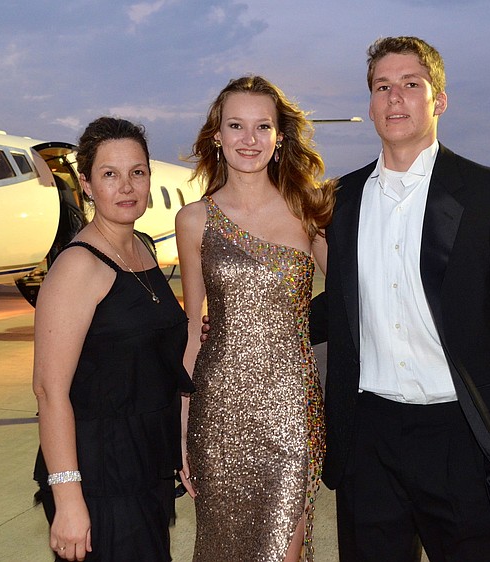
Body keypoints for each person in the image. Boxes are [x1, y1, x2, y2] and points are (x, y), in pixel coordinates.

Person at [317, 37, 490, 561]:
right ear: (370, 104)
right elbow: (341, 308)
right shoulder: (341, 200)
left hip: (460, 436)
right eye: (382, 87)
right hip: (369, 440)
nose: (395, 98)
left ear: (439, 100)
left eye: (410, 85)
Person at [175, 75, 334, 561]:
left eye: (262, 126)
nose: (249, 139)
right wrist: (181, 425)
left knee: (282, 550)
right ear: (217, 135)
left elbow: (356, 296)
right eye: (236, 126)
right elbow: (192, 328)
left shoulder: (309, 211)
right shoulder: (194, 220)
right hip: (217, 411)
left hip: (290, 408)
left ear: (279, 135)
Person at [32, 117, 194, 561]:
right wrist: (68, 501)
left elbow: (161, 369)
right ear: (86, 184)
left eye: (136, 172)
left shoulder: (142, 248)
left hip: (147, 465)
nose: (126, 186)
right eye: (109, 174)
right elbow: (49, 391)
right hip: (99, 475)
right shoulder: (78, 266)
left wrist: (180, 444)